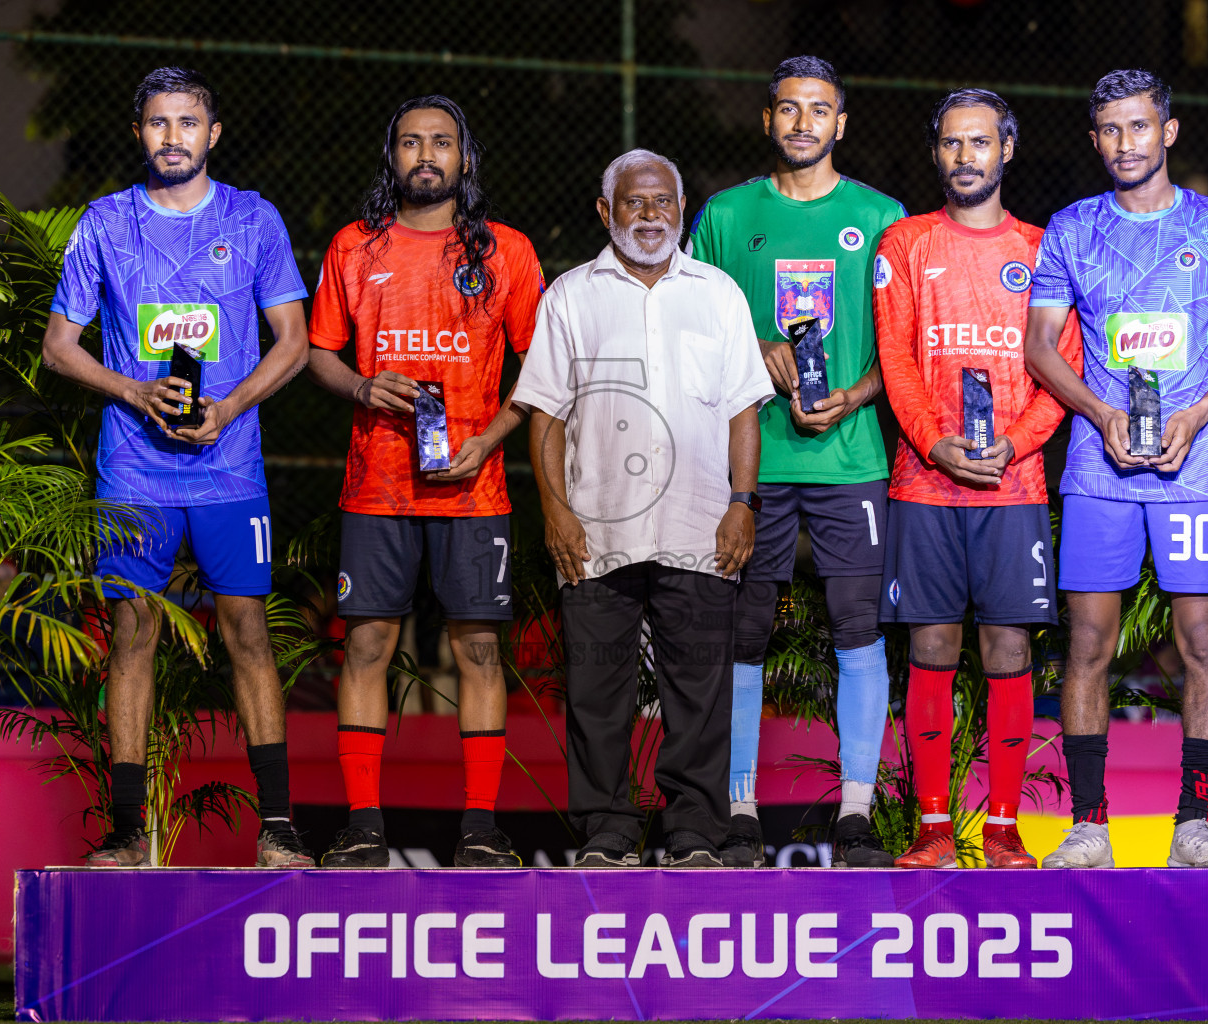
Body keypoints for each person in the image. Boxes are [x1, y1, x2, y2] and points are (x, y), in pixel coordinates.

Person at [44, 67, 312, 868]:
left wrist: (226, 411)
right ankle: (127, 833)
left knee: (248, 633)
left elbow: (292, 342)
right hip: (134, 473)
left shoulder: (253, 219)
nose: (173, 137)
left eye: (187, 123)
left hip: (230, 470)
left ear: (212, 134)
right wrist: (132, 389)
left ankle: (279, 829)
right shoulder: (104, 223)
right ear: (141, 135)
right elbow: (60, 347)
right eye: (158, 123)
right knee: (132, 632)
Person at [1024, 69, 1208, 868]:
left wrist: (1198, 415)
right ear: (1095, 138)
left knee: (1201, 639)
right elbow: (1039, 346)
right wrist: (1098, 414)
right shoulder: (1070, 228)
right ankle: (1090, 826)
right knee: (1088, 642)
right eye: (1110, 130)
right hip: (1099, 474)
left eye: (1140, 127)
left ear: (1167, 131)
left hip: (1190, 472)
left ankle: (1194, 826)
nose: (1125, 143)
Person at [512, 150, 773, 867]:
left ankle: (693, 833)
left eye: (663, 201)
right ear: (606, 212)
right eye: (635, 202)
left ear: (680, 210)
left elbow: (744, 409)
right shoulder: (570, 295)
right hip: (597, 530)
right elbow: (544, 415)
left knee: (699, 691)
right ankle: (607, 831)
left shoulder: (718, 293)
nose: (650, 214)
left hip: (699, 525)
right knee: (598, 691)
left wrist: (742, 502)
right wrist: (556, 513)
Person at [306, 95, 545, 868]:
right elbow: (319, 354)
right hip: (376, 486)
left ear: (465, 158)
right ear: (392, 156)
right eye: (410, 142)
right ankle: (364, 826)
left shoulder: (506, 251)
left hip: (472, 487)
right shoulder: (354, 247)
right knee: (368, 647)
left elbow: (541, 372)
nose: (425, 155)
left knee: (479, 653)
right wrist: (361, 388)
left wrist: (490, 442)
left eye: (440, 142)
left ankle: (479, 826)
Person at [687, 56, 906, 867]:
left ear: (841, 123)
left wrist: (854, 397)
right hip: (752, 460)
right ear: (768, 120)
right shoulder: (724, 215)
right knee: (743, 631)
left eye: (819, 109)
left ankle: (854, 814)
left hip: (850, 459)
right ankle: (739, 809)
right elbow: (691, 329)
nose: (804, 122)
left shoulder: (881, 217)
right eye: (788, 109)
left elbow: (905, 350)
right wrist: (759, 348)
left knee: (858, 630)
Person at [873, 89, 1082, 869]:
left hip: (1013, 486)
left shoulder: (1043, 247)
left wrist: (1017, 445)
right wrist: (935, 444)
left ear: (1008, 149)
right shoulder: (905, 243)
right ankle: (933, 827)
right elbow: (895, 359)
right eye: (952, 144)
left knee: (1007, 650)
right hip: (925, 486)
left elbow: (1065, 367)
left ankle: (1001, 829)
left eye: (980, 142)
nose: (966, 156)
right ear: (938, 154)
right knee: (930, 644)